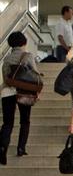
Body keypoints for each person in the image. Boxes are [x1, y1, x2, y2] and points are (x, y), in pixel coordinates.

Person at [0, 32, 38, 164]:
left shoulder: (7, 58)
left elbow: (5, 77)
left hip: (7, 92)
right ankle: (21, 148)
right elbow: (35, 75)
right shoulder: (28, 56)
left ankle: (2, 147)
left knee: (7, 122)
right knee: (24, 121)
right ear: (24, 43)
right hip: (24, 92)